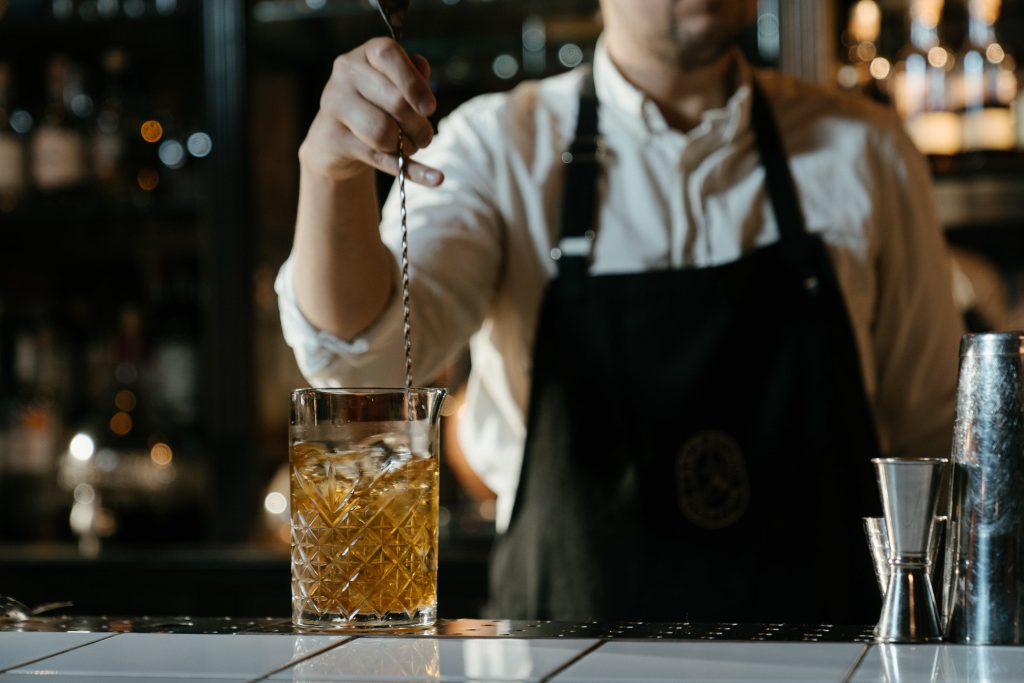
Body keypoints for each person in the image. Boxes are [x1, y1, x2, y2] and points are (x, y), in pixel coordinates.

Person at [276, 0, 964, 623]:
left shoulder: (868, 149)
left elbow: (931, 438)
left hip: (830, 652)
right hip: (557, 651)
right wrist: (332, 174)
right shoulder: (497, 147)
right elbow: (358, 359)